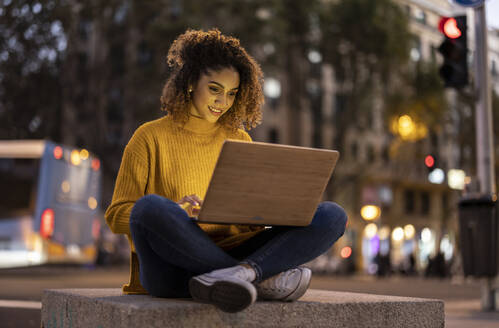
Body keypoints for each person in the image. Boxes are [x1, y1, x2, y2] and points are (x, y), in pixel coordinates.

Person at [105, 28, 348, 313]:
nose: (223, 102)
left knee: (333, 216)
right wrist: (177, 210)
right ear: (190, 83)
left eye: (232, 93)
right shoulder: (148, 137)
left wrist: (269, 211)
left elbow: (249, 226)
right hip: (172, 270)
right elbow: (116, 215)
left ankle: (240, 275)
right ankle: (256, 277)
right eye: (215, 90)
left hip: (238, 249)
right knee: (149, 208)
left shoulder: (239, 139)